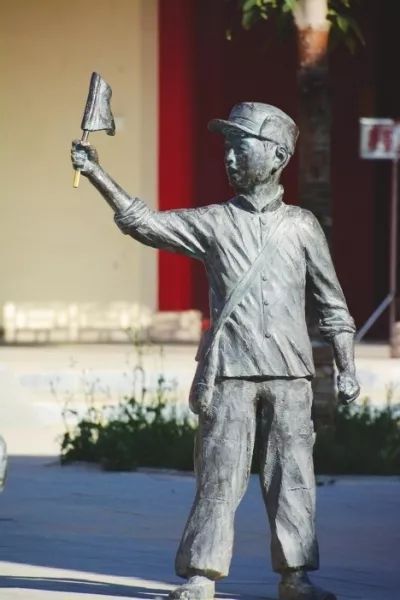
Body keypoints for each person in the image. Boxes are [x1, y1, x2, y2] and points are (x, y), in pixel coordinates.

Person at [71, 102, 360, 600]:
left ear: (278, 156)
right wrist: (97, 173)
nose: (228, 157)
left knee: (294, 478)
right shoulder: (214, 223)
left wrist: (346, 367)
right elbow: (145, 224)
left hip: (290, 374)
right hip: (229, 372)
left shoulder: (302, 226)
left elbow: (333, 306)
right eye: (226, 147)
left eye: (239, 146)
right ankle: (201, 575)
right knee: (218, 477)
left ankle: (296, 576)